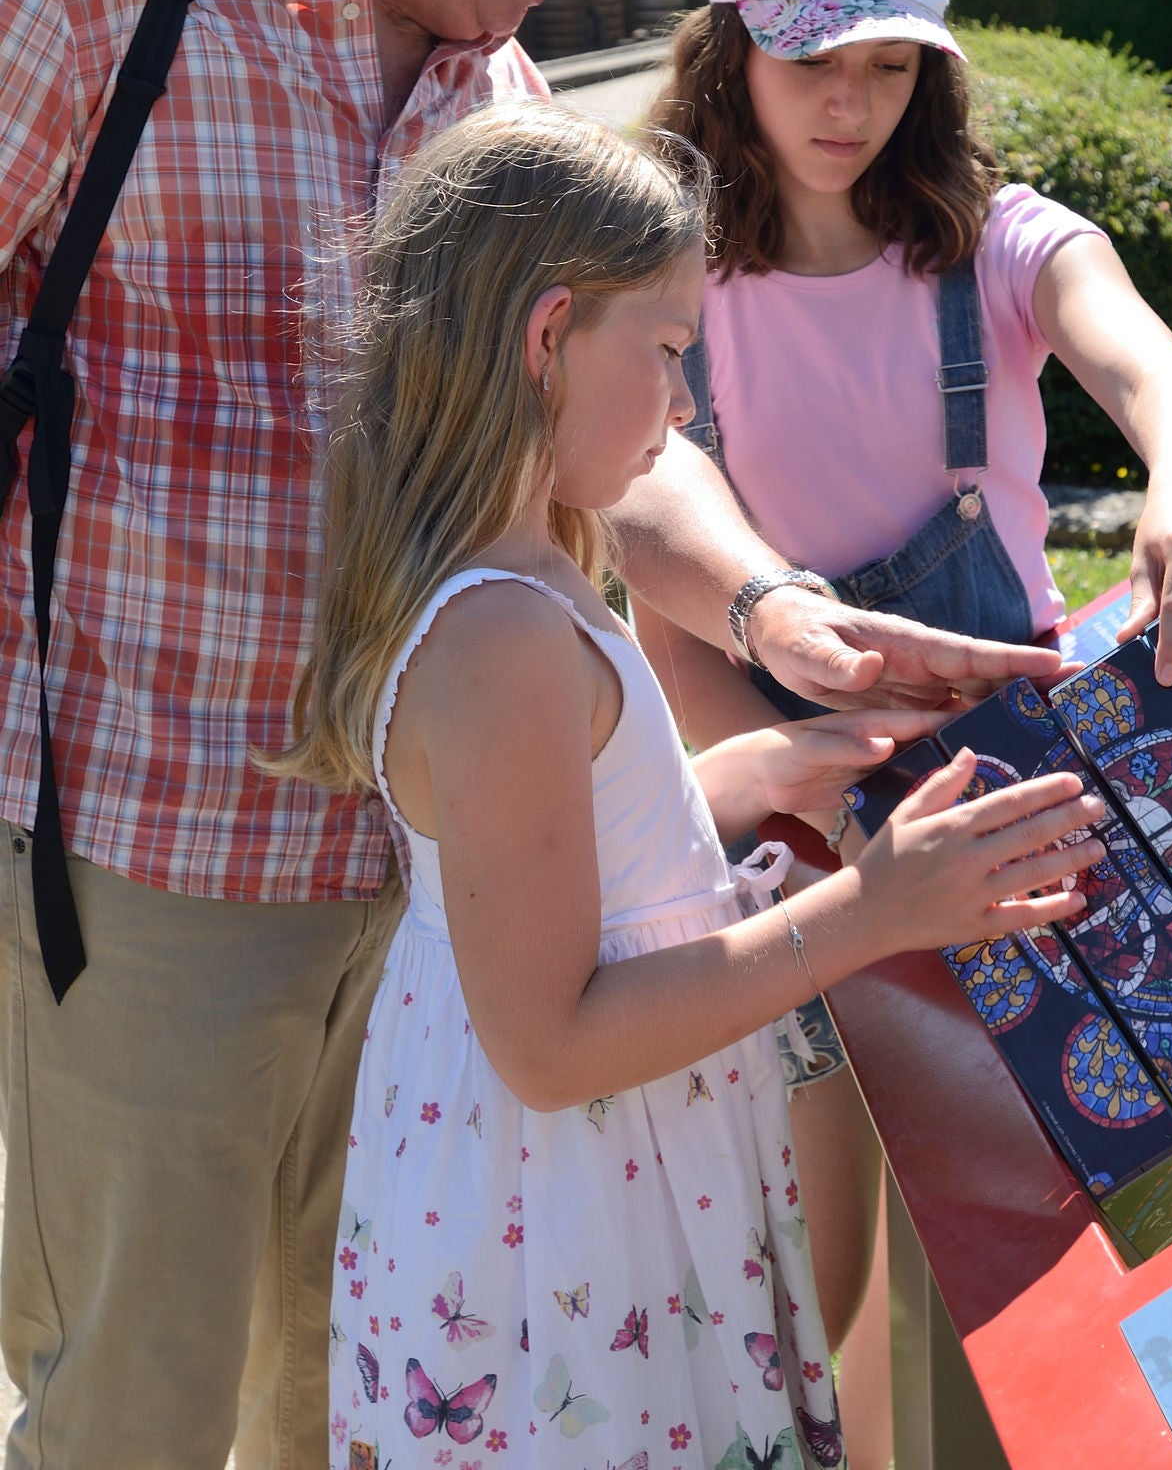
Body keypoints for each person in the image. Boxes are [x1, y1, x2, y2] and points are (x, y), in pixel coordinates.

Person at [0, 0, 1067, 1469]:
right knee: (138, 1412)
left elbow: (599, 453)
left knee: (360, 1408)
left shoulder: (492, 100)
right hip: (157, 864)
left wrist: (775, 609)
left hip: (442, 897)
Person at [277, 100, 1107, 1470]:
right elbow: (551, 1043)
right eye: (666, 353)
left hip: (568, 1197)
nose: (681, 404)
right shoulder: (504, 639)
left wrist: (744, 774)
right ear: (548, 340)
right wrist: (871, 912)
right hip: (574, 1232)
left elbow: (565, 862)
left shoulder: (528, 573)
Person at [635, 0, 1172, 1467]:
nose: (850, 101)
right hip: (768, 822)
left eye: (891, 64)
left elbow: (1155, 366)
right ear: (730, 42)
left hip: (1028, 809)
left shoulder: (998, 240)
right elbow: (642, 544)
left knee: (1059, 1230)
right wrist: (820, 806)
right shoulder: (660, 268)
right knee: (815, 1267)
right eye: (813, 57)